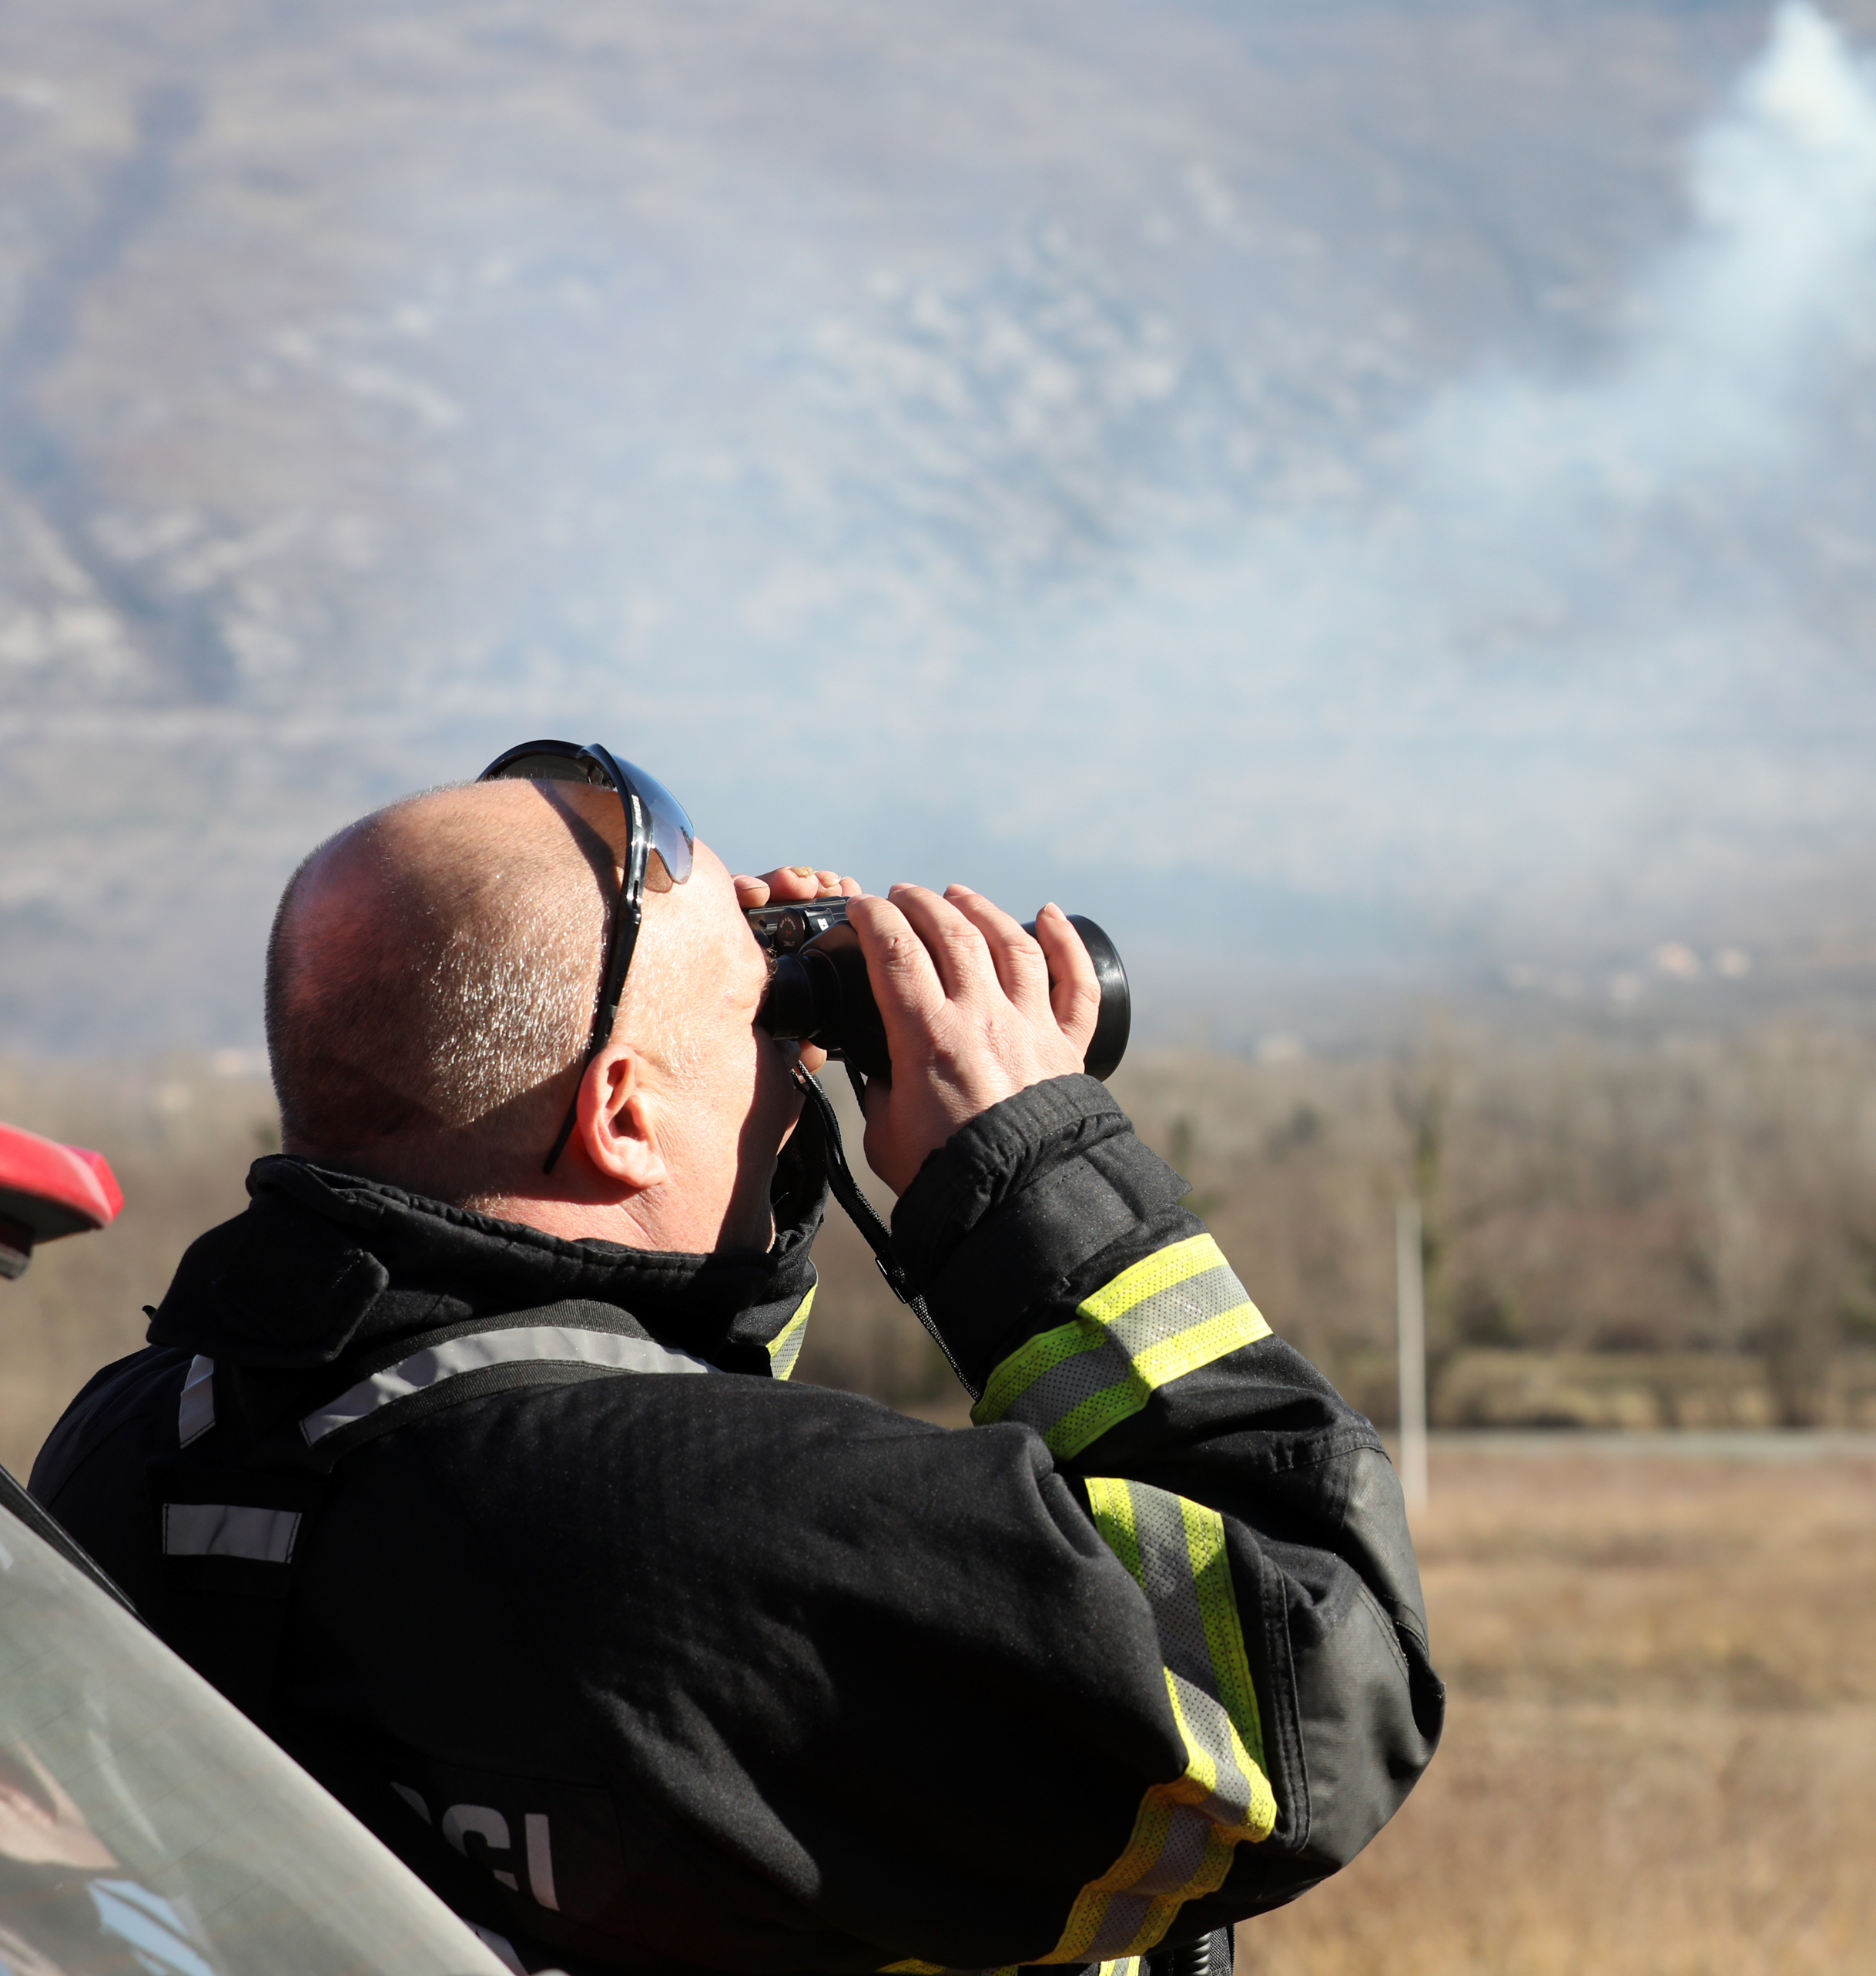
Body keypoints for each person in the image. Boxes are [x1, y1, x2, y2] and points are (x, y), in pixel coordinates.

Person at [29, 745, 1440, 1976]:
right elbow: (1322, 1678)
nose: (793, 1069)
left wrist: (743, 1162)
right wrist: (1034, 1177)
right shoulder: (692, 1534)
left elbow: (593, 1412)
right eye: (763, 1027)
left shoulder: (135, 1448)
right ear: (624, 1116)